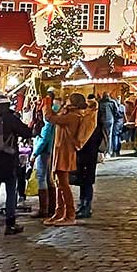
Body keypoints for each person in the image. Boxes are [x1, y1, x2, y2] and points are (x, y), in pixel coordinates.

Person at [0, 94, 33, 234]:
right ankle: (10, 225)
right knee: (11, 191)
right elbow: (27, 132)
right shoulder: (10, 118)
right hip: (8, 159)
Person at [43, 93, 96, 226]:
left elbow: (50, 118)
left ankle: (69, 214)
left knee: (63, 185)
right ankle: (59, 212)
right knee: (58, 183)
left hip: (65, 152)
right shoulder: (69, 114)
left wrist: (47, 104)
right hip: (60, 150)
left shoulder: (73, 116)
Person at [75, 94, 103, 218]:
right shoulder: (86, 120)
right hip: (83, 154)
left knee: (87, 182)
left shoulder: (94, 122)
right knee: (82, 181)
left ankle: (87, 206)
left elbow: (94, 139)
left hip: (88, 155)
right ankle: (82, 204)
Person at [31, 93, 57, 218]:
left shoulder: (48, 117)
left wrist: (34, 153)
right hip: (49, 149)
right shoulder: (54, 113)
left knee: (43, 177)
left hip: (44, 150)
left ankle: (44, 209)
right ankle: (52, 207)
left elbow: (44, 137)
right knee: (48, 178)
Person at [98, 92, 116, 158]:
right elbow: (116, 111)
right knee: (109, 136)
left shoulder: (100, 102)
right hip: (110, 120)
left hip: (102, 121)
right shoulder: (112, 102)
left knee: (103, 136)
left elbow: (98, 112)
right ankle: (108, 152)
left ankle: (102, 150)